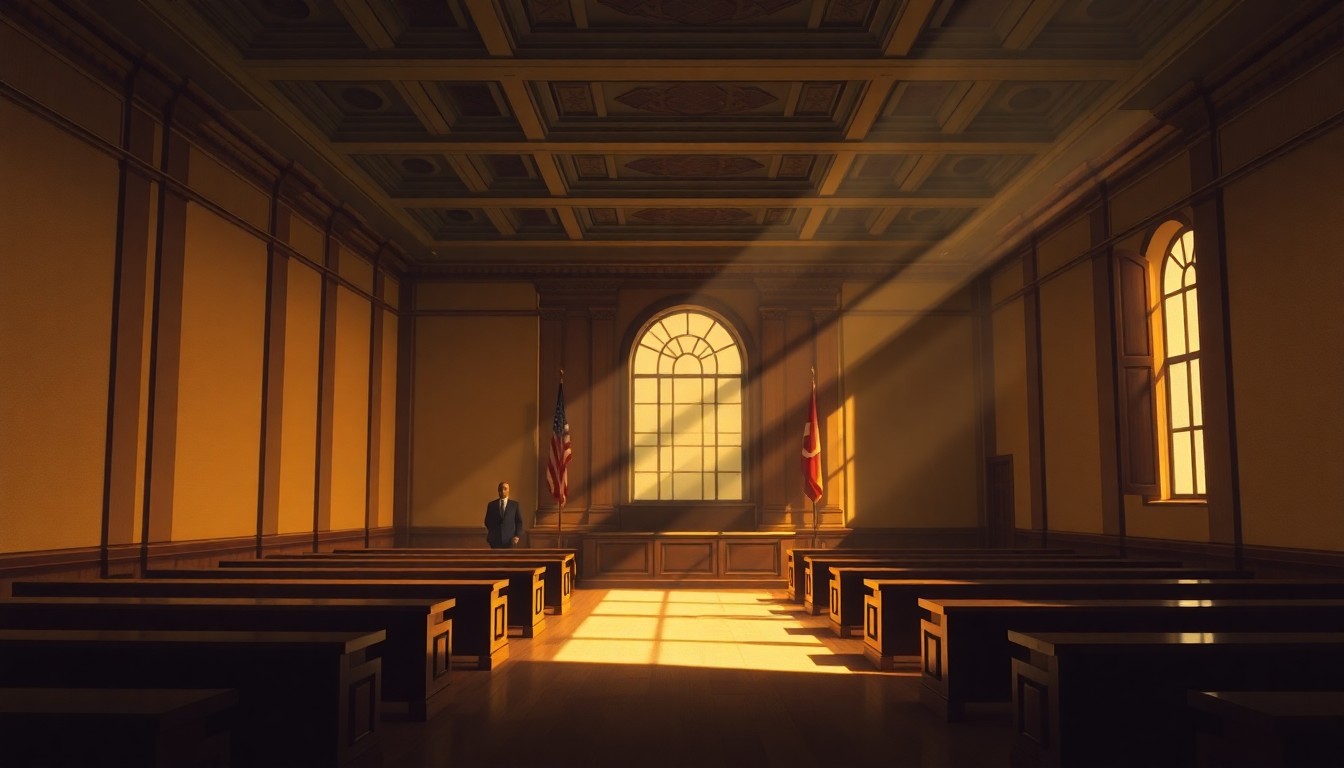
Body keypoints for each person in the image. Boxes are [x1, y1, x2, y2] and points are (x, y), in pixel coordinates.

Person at [484, 481, 523, 549]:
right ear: (498, 490)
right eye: (500, 489)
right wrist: (493, 533)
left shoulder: (514, 505)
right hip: (495, 541)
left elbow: (519, 521)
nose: (502, 491)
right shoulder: (491, 505)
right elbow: (487, 521)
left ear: (508, 490)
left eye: (505, 489)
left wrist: (517, 536)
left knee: (508, 559)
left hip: (510, 541)